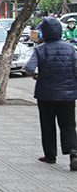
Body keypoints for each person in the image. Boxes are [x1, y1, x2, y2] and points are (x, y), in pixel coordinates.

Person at [24, 17, 77, 170]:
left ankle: (50, 155)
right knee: (68, 124)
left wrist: (35, 74)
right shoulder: (70, 49)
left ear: (44, 33)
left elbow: (29, 67)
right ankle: (73, 152)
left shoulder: (40, 49)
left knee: (47, 124)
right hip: (67, 95)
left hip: (45, 94)